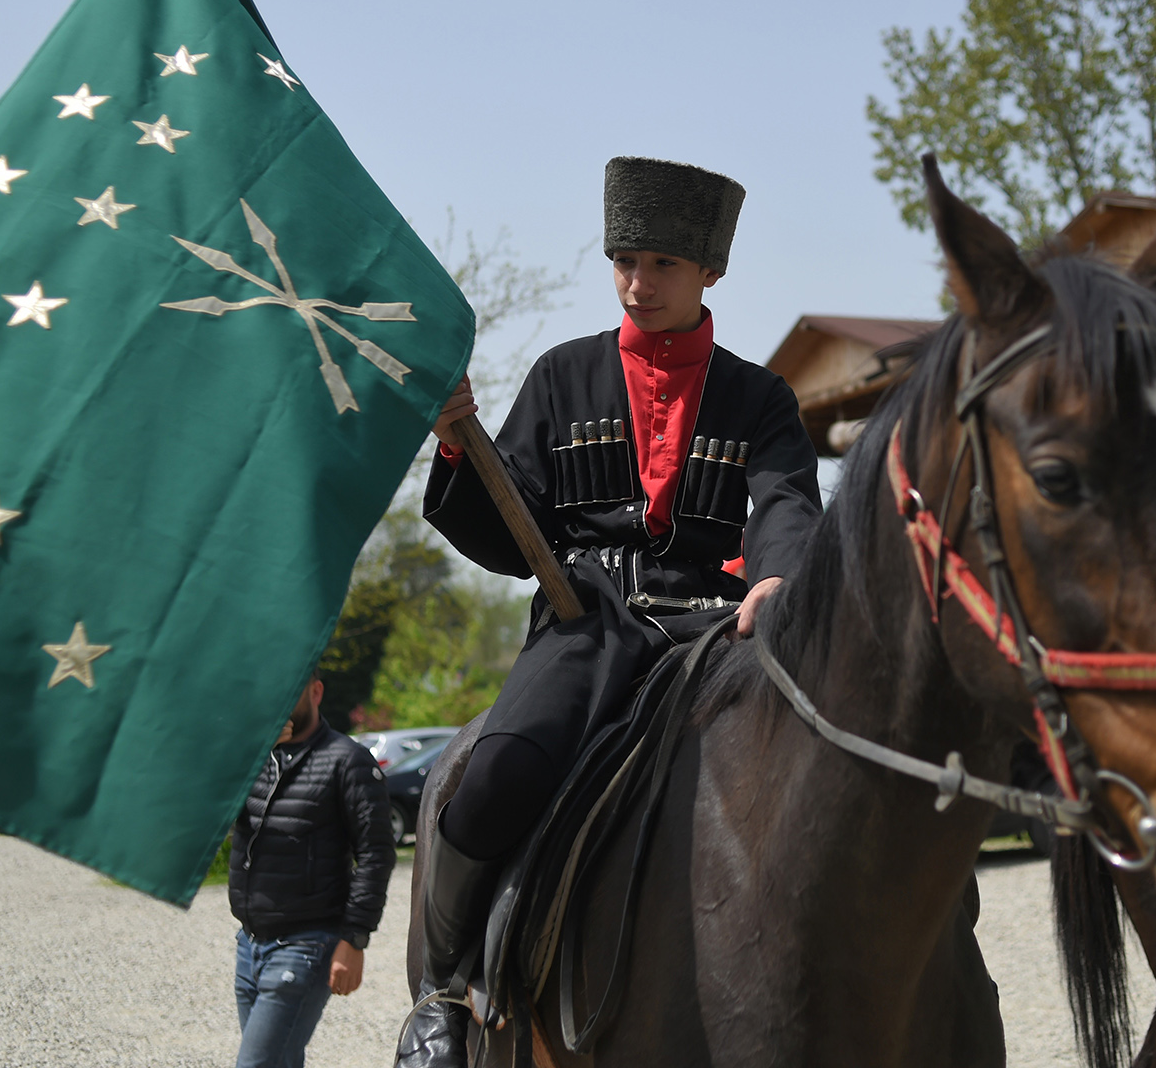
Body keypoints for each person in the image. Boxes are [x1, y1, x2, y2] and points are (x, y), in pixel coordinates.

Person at [394, 157, 823, 1068]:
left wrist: (777, 581)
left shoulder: (762, 397)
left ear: (711, 271)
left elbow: (787, 500)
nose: (639, 282)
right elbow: (518, 534)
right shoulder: (560, 377)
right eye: (625, 260)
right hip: (586, 618)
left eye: (663, 263)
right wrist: (460, 450)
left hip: (720, 627)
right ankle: (442, 993)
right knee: (489, 782)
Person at [229, 669, 396, 1068]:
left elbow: (376, 853)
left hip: (305, 948)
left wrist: (355, 939)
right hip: (249, 944)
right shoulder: (259, 757)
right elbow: (213, 815)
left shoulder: (348, 761)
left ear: (316, 691)